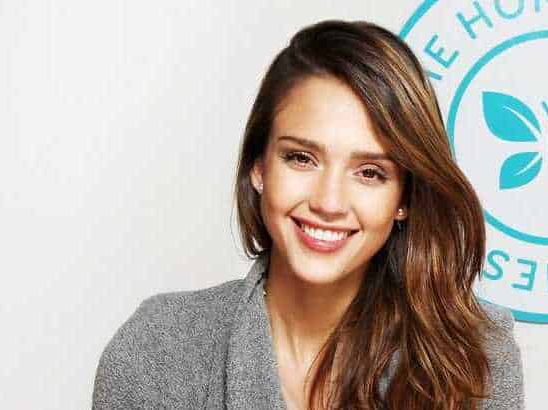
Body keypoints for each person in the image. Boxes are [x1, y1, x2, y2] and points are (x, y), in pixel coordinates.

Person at [92, 20, 524, 409]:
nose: (329, 202)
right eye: (301, 158)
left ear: (404, 198)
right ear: (259, 167)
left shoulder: (475, 356)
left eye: (370, 173)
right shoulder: (160, 347)